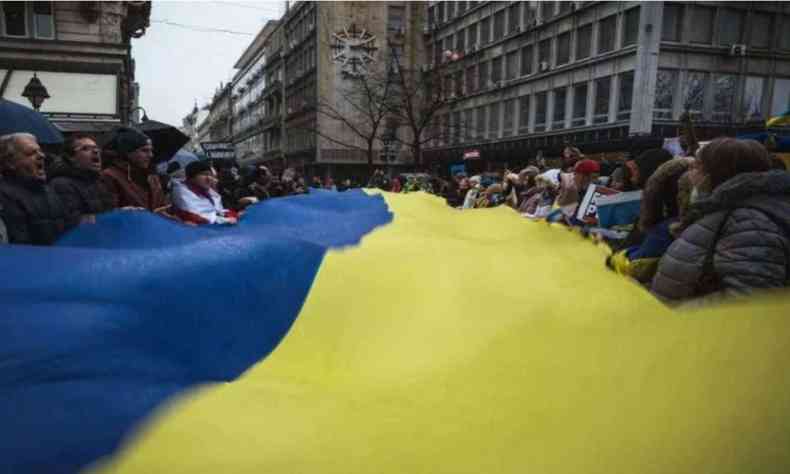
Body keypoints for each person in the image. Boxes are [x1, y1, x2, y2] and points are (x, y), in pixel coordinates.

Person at [651, 138, 790, 302]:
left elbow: (747, 302)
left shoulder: (749, 222)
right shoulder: (728, 210)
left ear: (716, 173)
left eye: (697, 167)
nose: (690, 173)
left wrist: (680, 314)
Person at [0, 133, 78, 245]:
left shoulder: (49, 190)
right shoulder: (5, 195)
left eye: (39, 151)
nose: (42, 156)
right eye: (30, 153)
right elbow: (20, 244)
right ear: (10, 163)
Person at [48, 133, 114, 224]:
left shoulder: (98, 181)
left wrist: (122, 212)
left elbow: (108, 211)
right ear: (71, 157)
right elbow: (72, 221)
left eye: (96, 148)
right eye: (85, 149)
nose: (95, 151)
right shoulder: (61, 184)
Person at [100, 127, 167, 212]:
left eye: (151, 151)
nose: (151, 155)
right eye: (144, 150)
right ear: (128, 152)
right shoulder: (109, 176)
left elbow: (162, 206)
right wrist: (122, 212)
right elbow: (106, 213)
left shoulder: (153, 178)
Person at [171, 161, 238, 225]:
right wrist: (223, 219)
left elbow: (218, 210)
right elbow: (195, 216)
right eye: (204, 174)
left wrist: (231, 214)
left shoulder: (207, 191)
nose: (209, 178)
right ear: (192, 177)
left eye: (210, 175)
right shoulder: (182, 192)